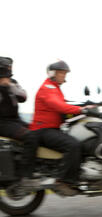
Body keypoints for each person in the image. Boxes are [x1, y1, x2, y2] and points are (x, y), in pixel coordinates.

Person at [30, 60, 86, 196]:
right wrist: (82, 110)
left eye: (65, 73)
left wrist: (87, 104)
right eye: (61, 72)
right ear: (52, 73)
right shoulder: (47, 88)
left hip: (51, 129)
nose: (63, 75)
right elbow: (58, 106)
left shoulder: (54, 88)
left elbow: (63, 103)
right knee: (73, 145)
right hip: (43, 130)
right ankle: (64, 182)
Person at [0, 57, 50, 188]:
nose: (10, 69)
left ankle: (41, 167)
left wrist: (9, 86)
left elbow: (23, 97)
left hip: (15, 119)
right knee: (30, 137)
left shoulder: (13, 82)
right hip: (2, 122)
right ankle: (25, 176)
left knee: (39, 131)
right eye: (8, 67)